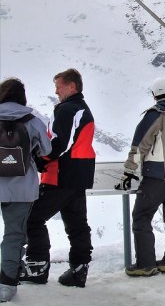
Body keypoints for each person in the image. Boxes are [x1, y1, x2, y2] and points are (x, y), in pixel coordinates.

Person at [20, 68, 95, 288]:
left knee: (32, 217)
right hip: (77, 175)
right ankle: (79, 269)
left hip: (62, 175)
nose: (56, 90)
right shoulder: (79, 108)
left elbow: (60, 144)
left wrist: (39, 161)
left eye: (59, 86)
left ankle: (37, 267)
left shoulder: (69, 109)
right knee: (76, 223)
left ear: (72, 86)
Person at [121, 76, 165, 277]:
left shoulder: (156, 114)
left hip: (156, 174)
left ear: (155, 93)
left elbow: (140, 143)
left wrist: (129, 169)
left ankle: (146, 264)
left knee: (141, 217)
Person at [0, 78, 52, 302]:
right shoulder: (32, 120)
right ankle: (6, 284)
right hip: (22, 189)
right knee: (14, 235)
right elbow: (46, 150)